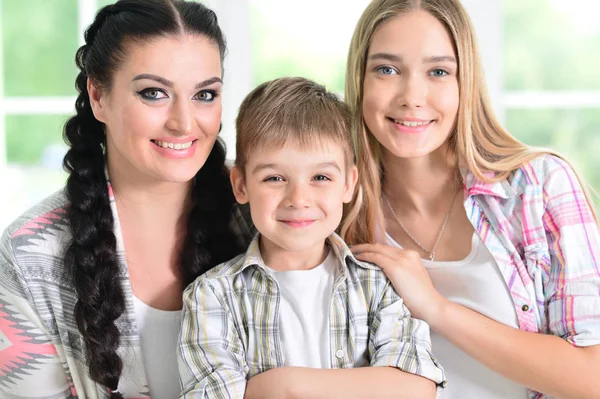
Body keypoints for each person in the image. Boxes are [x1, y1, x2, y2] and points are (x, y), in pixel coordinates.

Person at [342, 1, 600, 398]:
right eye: (387, 69)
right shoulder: (337, 208)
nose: (412, 96)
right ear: (360, 79)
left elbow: (591, 376)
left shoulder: (538, 188)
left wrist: (436, 308)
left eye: (439, 72)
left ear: (467, 82)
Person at [0, 1, 253, 398]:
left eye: (205, 94)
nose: (184, 123)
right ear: (98, 96)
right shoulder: (28, 256)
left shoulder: (268, 213)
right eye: (154, 93)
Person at [177, 77, 446, 399]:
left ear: (348, 183)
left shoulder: (378, 285)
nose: (299, 198)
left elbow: (415, 389)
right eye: (274, 178)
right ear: (241, 185)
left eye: (320, 177)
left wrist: (279, 388)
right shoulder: (212, 296)